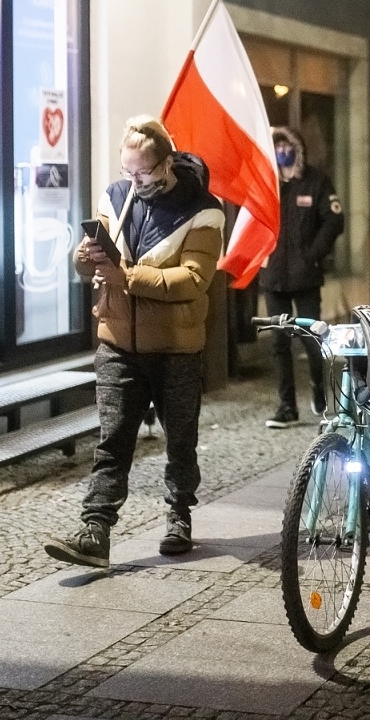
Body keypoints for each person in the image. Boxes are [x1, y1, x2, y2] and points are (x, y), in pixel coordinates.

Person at [45, 116, 224, 567]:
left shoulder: (203, 210)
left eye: (143, 172)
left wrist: (126, 277)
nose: (135, 181)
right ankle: (95, 530)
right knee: (113, 438)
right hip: (117, 342)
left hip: (176, 347)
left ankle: (179, 513)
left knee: (180, 438)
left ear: (166, 164)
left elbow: (194, 279)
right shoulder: (116, 197)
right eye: (128, 172)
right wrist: (85, 257)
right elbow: (96, 262)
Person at [261, 126, 346, 428]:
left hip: (306, 277)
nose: (282, 151)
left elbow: (335, 220)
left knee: (311, 340)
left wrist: (313, 254)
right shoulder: (265, 183)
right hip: (273, 277)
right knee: (279, 343)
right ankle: (286, 407)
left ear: (297, 148)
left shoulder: (316, 181)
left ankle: (321, 394)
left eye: (288, 146)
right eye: (277, 146)